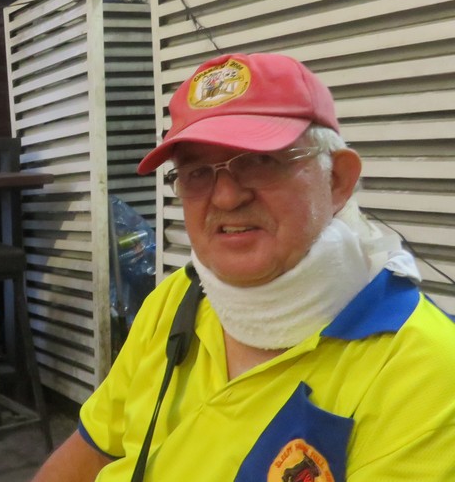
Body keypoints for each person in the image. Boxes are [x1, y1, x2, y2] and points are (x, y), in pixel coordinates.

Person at [32, 53, 455, 481]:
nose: (226, 197)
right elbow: (92, 451)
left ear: (337, 180)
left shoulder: (424, 370)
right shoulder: (175, 300)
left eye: (260, 161)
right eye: (197, 172)